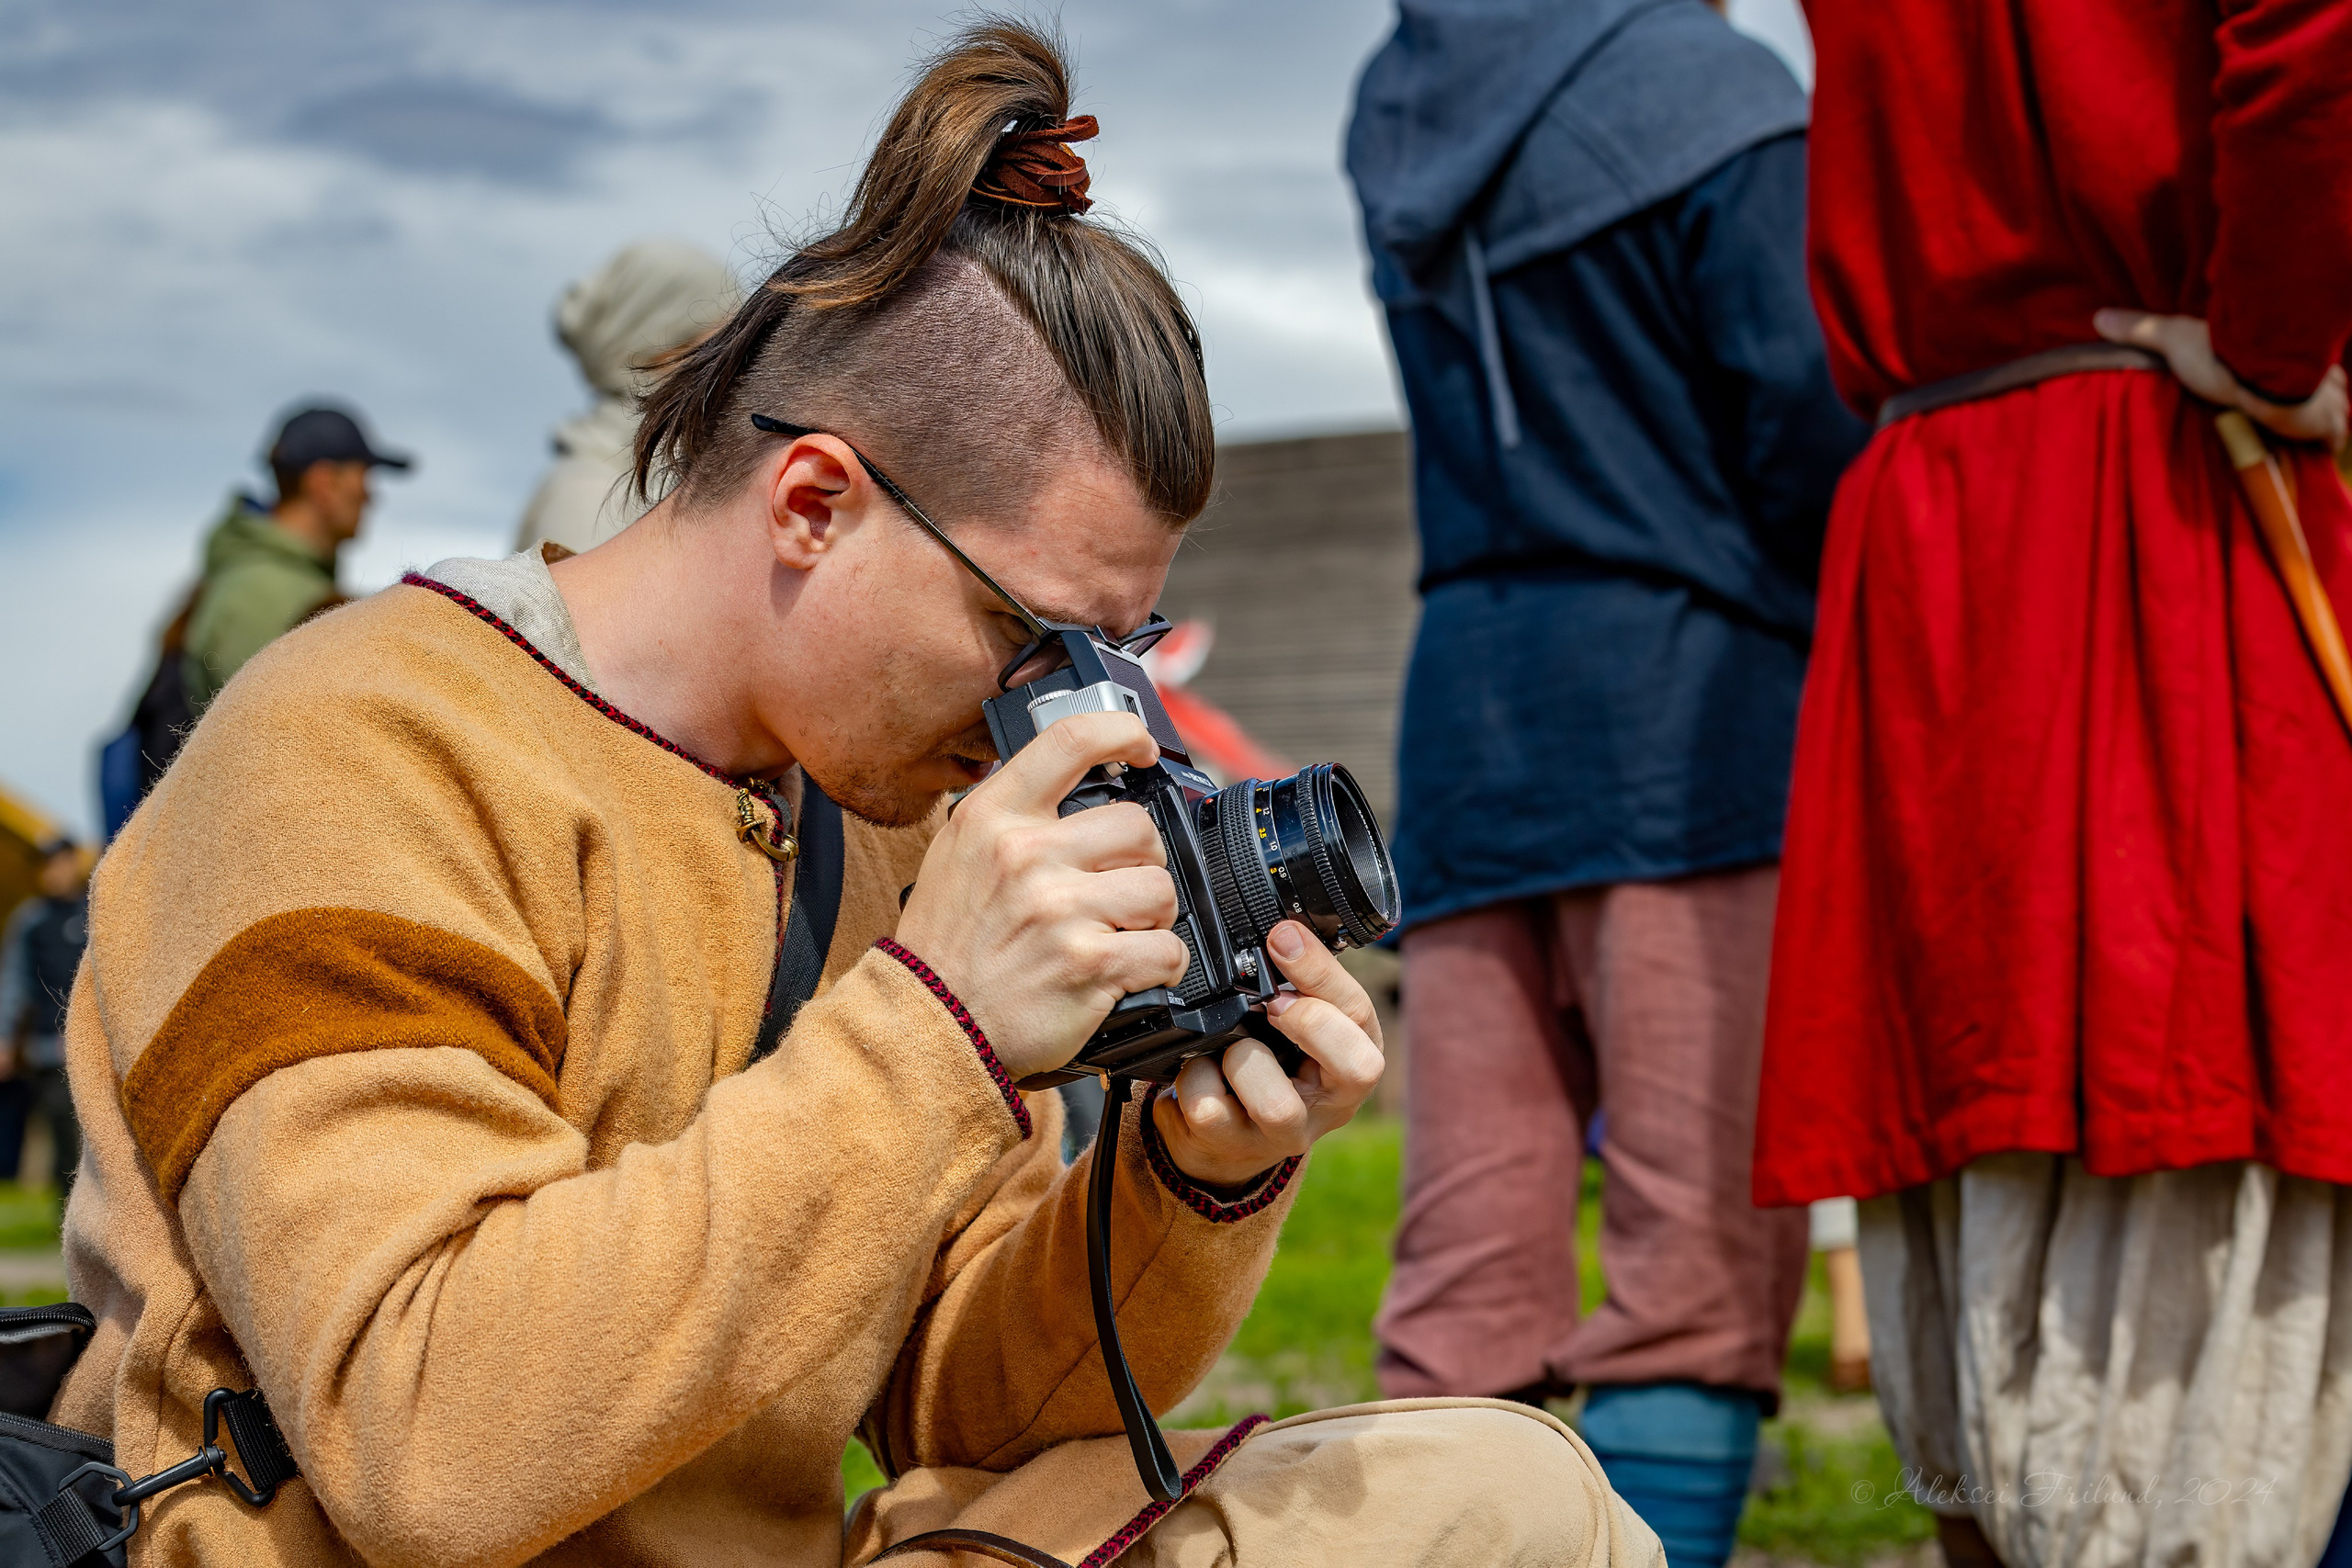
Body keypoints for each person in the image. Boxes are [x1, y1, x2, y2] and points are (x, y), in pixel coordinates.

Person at [54, 24, 1662, 1567]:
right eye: (1037, 636)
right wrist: (930, 1031)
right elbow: (425, 1447)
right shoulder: (353, 750)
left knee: (1507, 1495)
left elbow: (960, 1403)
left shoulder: (879, 812)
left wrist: (1191, 1172)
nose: (1078, 711)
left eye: (1121, 647)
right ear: (816, 503)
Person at [1752, 2, 2352, 1566]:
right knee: (2176, 1122)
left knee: (1998, 1147)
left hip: (1943, 511)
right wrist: (2281, 340)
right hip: (2161, 470)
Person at [1344, 3, 1869, 1564]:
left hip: (1470, 702)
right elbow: (1810, 414)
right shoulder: (1716, 89)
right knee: (1693, 1241)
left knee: (1471, 1241)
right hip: (1688, 711)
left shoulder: (1400, 95)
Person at [182, 403, 413, 714]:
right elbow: (262, 732)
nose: (371, 496)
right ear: (325, 483)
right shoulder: (261, 592)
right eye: (365, 478)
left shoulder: (270, 581)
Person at [514, 239, 741, 553]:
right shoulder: (590, 499)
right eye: (719, 340)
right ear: (660, 349)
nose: (738, 365)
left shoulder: (673, 480)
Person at [0, 840, 87, 1196]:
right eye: (49, 865)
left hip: (93, 1045)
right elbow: (14, 982)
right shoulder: (31, 920)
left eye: (62, 863)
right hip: (46, 1048)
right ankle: (67, 1213)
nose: (56, 872)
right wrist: (5, 1039)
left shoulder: (93, 910)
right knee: (61, 1130)